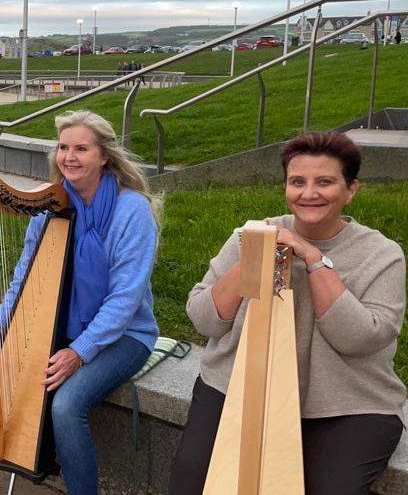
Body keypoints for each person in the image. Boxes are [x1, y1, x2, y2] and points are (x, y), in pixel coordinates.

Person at [169, 131, 406, 494]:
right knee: (193, 483)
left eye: (324, 182)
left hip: (346, 404)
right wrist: (253, 257)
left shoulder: (381, 254)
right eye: (297, 182)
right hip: (238, 385)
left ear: (351, 189)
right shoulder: (250, 236)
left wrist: (313, 258)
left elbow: (359, 339)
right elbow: (204, 319)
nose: (309, 193)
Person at [0, 110, 160, 495]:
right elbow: (24, 275)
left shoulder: (132, 211)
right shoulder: (50, 205)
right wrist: (0, 326)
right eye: (63, 147)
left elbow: (125, 299)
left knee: (66, 405)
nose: (69, 157)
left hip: (125, 335)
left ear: (104, 156)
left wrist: (79, 351)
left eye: (81, 148)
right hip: (59, 324)